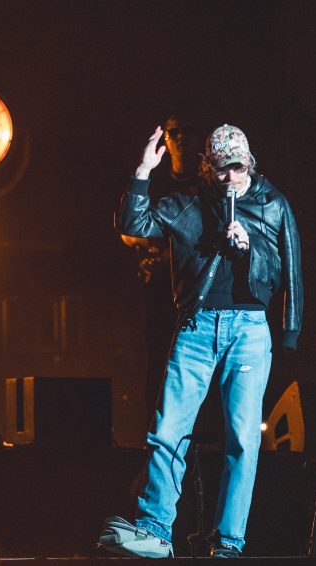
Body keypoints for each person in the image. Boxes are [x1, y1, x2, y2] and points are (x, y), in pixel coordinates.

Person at [100, 123, 303, 558]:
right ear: (208, 168)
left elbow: (289, 269)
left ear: (249, 163)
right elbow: (134, 223)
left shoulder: (272, 203)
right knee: (168, 431)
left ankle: (229, 540)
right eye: (222, 169)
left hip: (249, 328)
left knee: (243, 438)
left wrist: (251, 254)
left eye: (238, 167)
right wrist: (143, 171)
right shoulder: (189, 201)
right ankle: (155, 530)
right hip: (196, 326)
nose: (232, 177)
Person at [119, 116, 206, 418]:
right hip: (160, 290)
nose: (181, 138)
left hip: (197, 292)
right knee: (159, 359)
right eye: (174, 132)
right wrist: (147, 246)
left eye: (188, 131)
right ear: (165, 139)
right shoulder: (157, 181)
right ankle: (154, 436)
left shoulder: (207, 184)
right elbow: (128, 226)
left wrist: (172, 252)